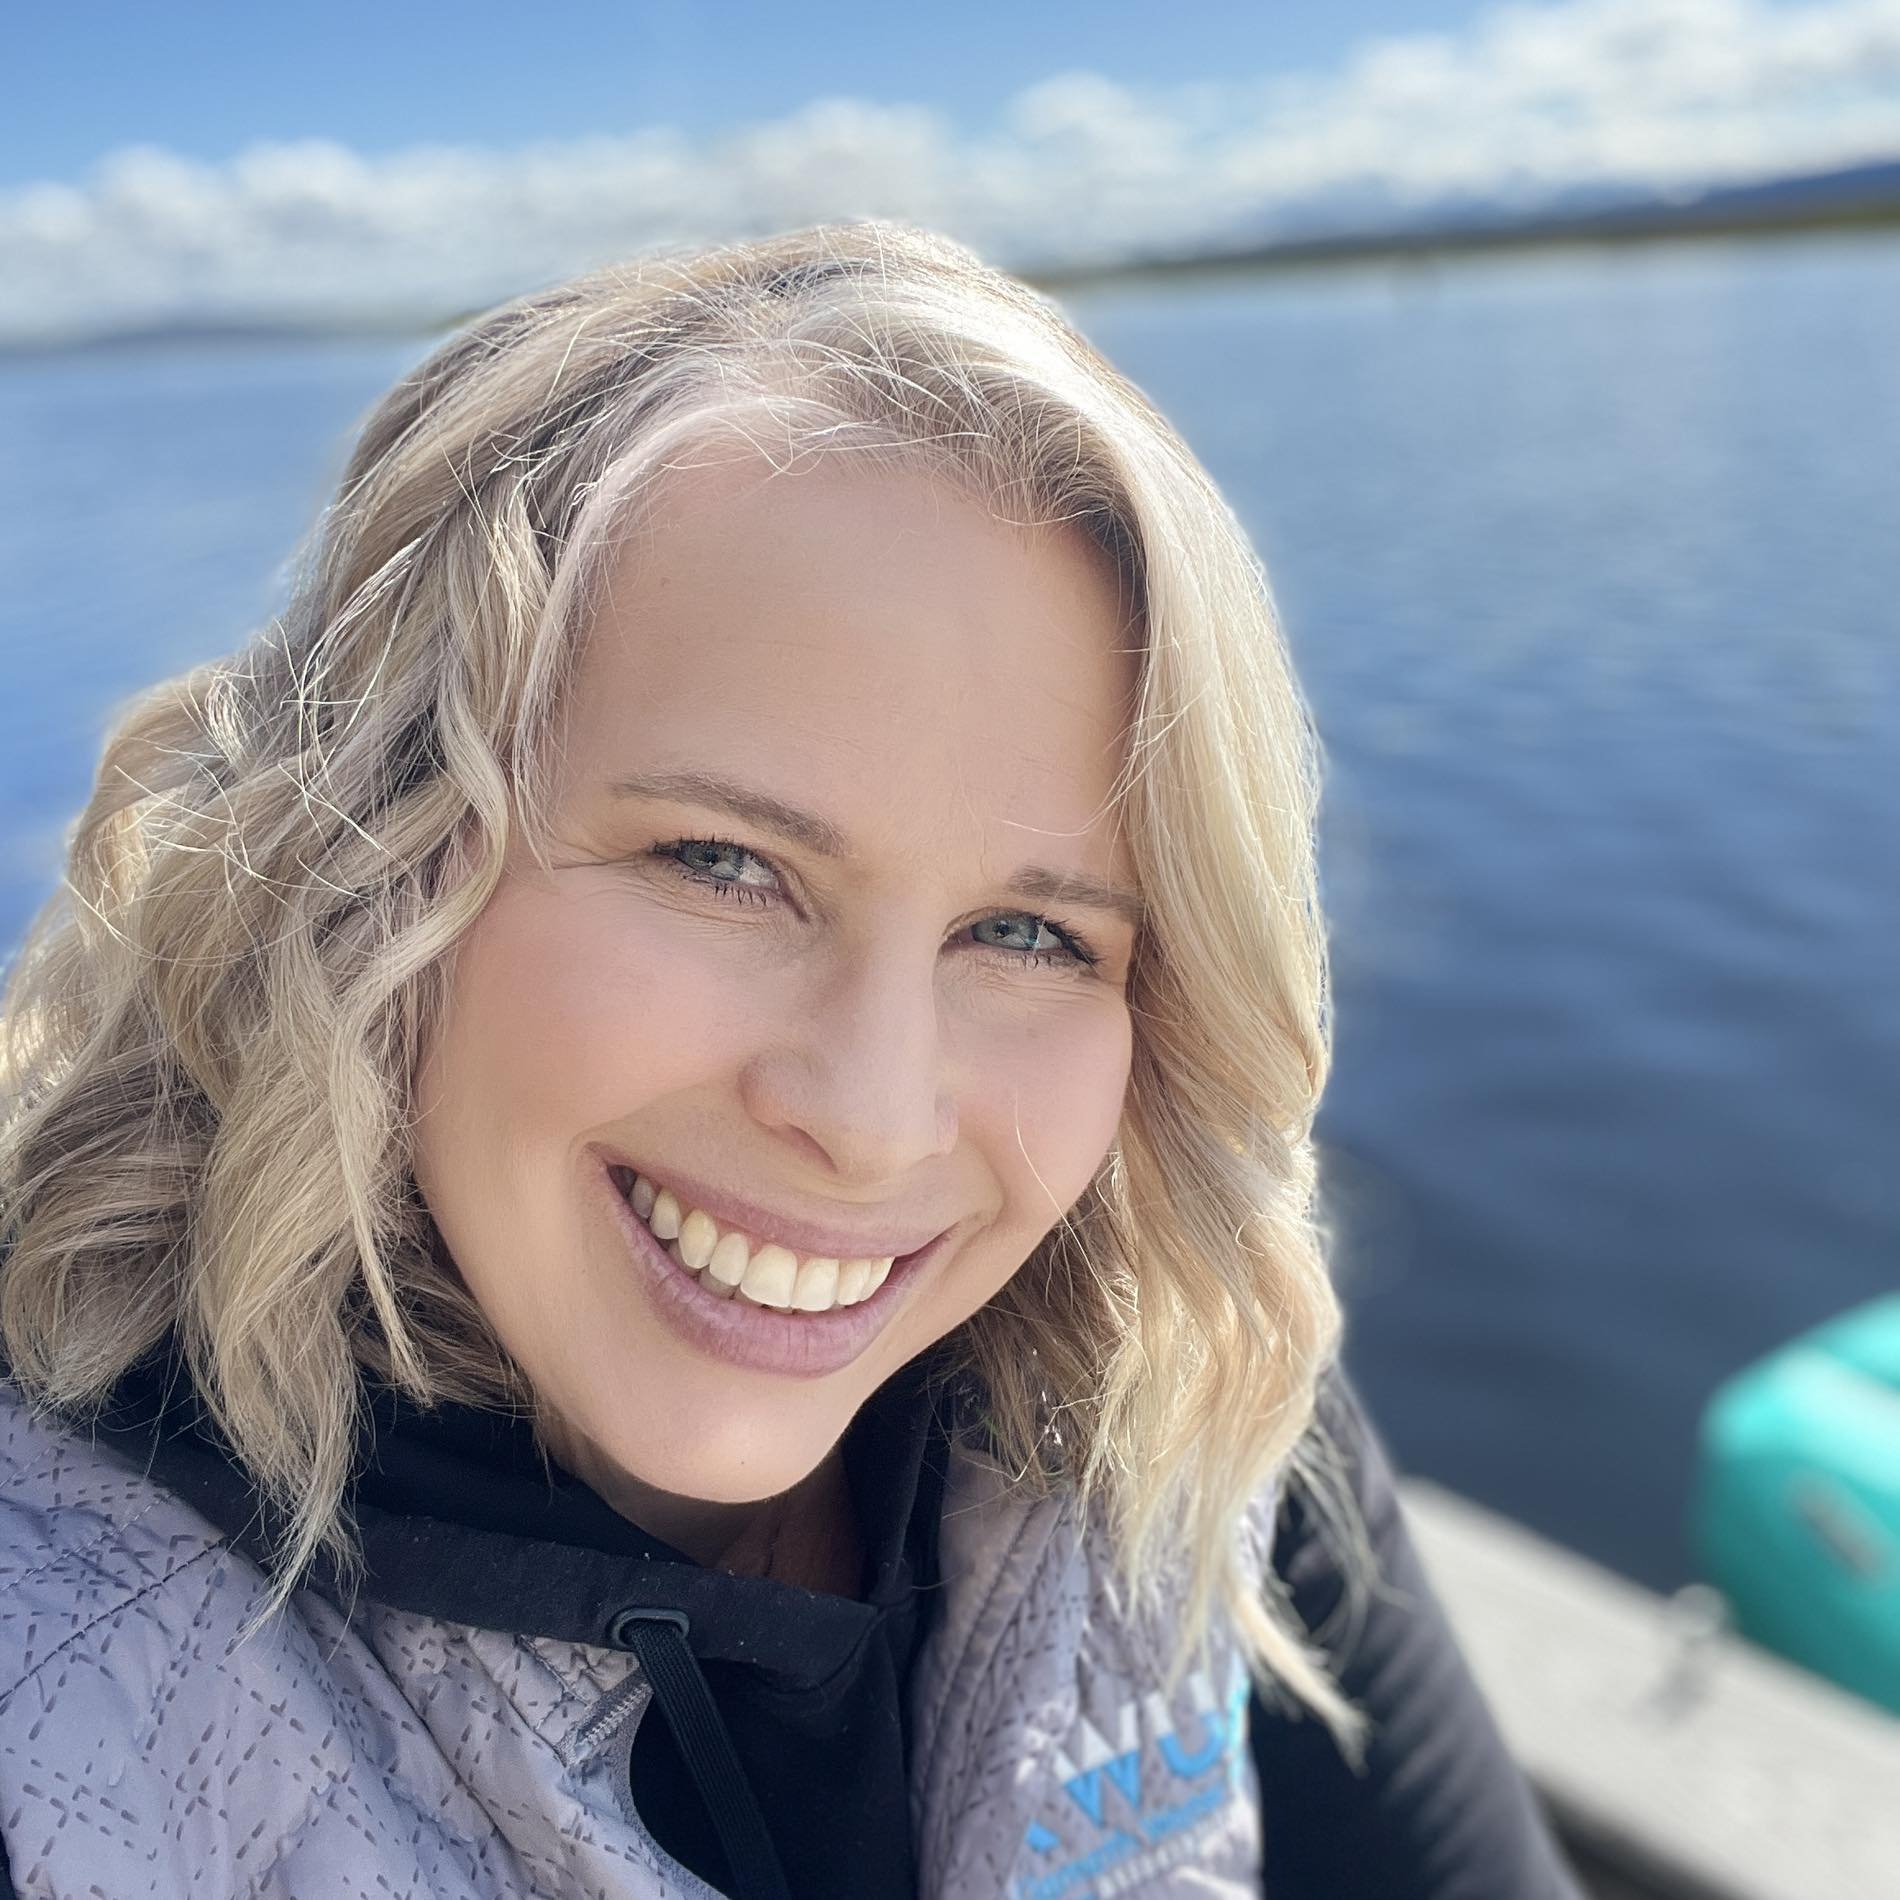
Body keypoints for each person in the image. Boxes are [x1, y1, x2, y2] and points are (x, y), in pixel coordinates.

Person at [0, 219, 1583, 1898]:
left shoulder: (1188, 1396)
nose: (871, 1117)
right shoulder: (58, 1684)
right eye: (722, 865)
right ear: (372, 856)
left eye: (1036, 936)